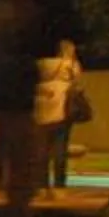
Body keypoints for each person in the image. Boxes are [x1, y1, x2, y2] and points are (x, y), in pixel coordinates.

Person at [35, 40, 85, 191]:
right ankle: (59, 183)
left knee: (42, 148)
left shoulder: (42, 64)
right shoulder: (70, 65)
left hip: (42, 109)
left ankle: (42, 182)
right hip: (62, 109)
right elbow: (78, 82)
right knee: (60, 147)